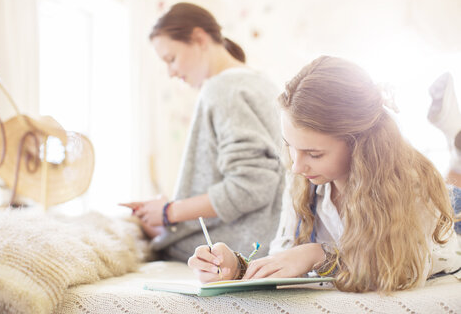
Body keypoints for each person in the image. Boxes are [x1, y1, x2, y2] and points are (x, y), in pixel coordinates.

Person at [188, 56, 461, 293]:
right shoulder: (304, 180)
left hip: (453, 235)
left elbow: (401, 271)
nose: (296, 165)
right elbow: (285, 261)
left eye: (314, 154)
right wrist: (236, 268)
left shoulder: (407, 182)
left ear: (359, 143)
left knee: (454, 188)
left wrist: (319, 254)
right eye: (290, 147)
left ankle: (455, 145)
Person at [119, 3, 284, 262]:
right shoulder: (261, 82)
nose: (171, 72)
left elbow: (251, 187)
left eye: (171, 59)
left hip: (240, 246)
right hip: (264, 236)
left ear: (199, 38)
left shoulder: (223, 89)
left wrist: (170, 212)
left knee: (136, 230)